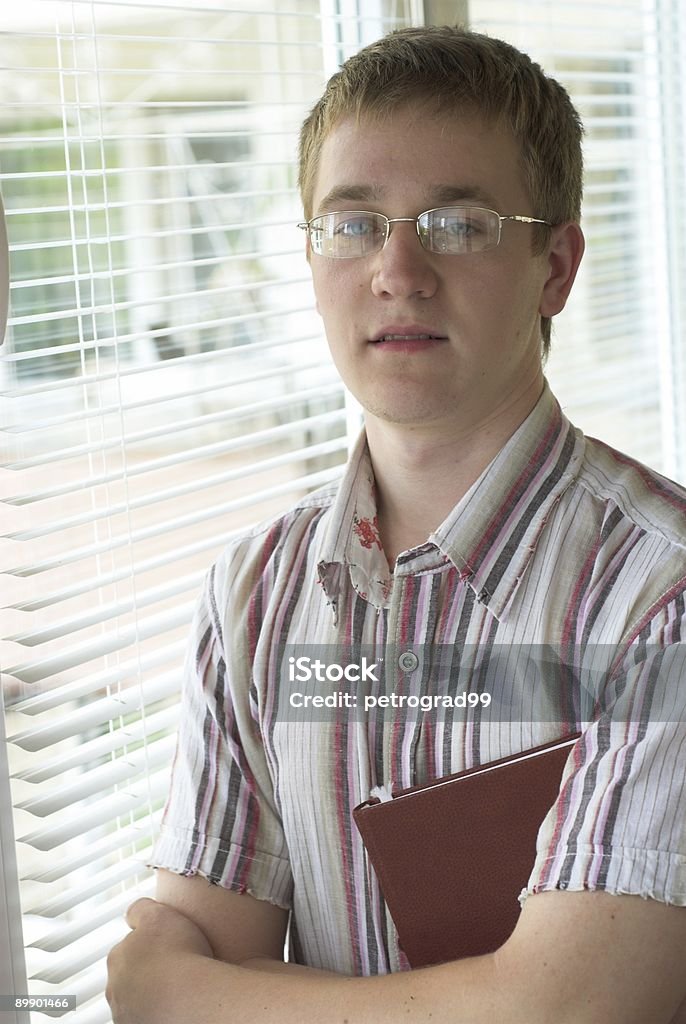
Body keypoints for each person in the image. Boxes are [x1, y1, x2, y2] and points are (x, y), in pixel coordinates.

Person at [106, 25, 686, 1024]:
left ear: (554, 266)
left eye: (457, 224)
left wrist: (188, 993)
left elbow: (568, 1011)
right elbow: (196, 946)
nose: (398, 271)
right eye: (353, 222)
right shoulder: (256, 593)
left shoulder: (657, 594)